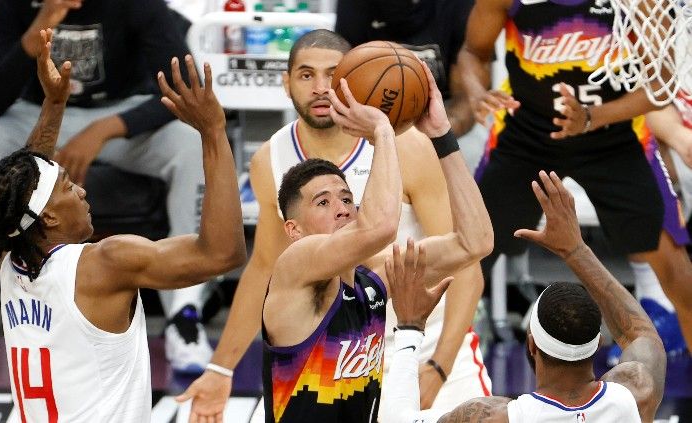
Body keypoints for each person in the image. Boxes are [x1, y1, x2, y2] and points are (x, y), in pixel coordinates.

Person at [179, 29, 491, 421]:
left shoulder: (408, 150)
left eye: (331, 74)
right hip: (327, 348)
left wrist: (439, 367)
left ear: (349, 81)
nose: (320, 88)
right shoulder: (270, 160)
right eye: (306, 75)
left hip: (423, 338)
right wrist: (221, 367)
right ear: (286, 83)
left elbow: (469, 260)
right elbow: (264, 267)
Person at [0, 29, 245, 421]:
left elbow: (28, 179)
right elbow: (224, 253)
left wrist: (55, 105)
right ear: (49, 216)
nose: (83, 191)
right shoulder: (105, 263)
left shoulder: (9, 257)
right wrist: (213, 134)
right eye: (70, 186)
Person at [457, 0, 692, 348]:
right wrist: (477, 93)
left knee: (677, 272)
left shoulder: (634, 2)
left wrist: (591, 117)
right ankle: (438, 368)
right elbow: (472, 52)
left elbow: (660, 88)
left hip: (613, 134)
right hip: (526, 134)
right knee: (470, 254)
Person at [382, 171, 665, 423]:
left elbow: (398, 419)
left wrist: (408, 328)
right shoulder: (635, 396)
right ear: (598, 343)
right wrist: (576, 251)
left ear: (531, 344)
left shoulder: (496, 417)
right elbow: (641, 334)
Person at [334, 0, 477, 136]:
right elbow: (340, 79)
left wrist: (440, 134)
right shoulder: (354, 4)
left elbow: (468, 98)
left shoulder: (460, 4)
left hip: (440, 114)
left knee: (473, 150)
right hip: (366, 120)